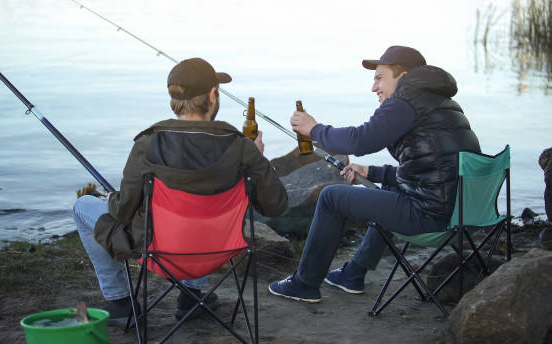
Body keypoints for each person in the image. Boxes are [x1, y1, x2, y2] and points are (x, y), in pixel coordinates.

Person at [73, 57, 287, 324]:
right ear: (212, 95)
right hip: (218, 250)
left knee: (82, 207)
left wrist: (110, 199)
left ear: (173, 99)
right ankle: (191, 296)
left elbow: (123, 211)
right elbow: (275, 205)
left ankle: (120, 302)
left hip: (156, 252)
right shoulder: (242, 148)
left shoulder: (147, 144)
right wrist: (259, 160)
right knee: (200, 212)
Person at [268, 45, 481, 302]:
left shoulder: (405, 102)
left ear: (403, 77)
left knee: (331, 198)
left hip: (431, 216)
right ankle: (353, 274)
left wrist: (314, 130)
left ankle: (304, 283)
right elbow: (431, 169)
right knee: (390, 189)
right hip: (460, 212)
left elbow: (360, 141)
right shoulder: (442, 103)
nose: (374, 87)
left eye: (380, 78)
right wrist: (372, 172)